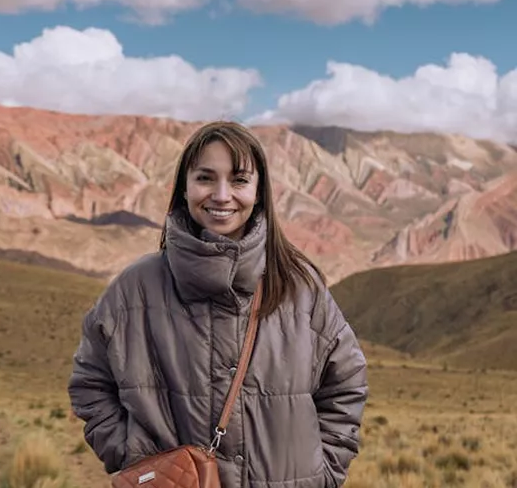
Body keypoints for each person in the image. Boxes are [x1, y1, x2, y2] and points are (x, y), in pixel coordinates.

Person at [68, 121, 368, 488]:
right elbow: (89, 382)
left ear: (259, 192)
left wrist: (323, 473)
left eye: (239, 180)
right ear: (185, 187)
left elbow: (346, 384)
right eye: (206, 178)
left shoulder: (300, 289)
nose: (222, 195)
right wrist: (132, 455)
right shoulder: (136, 289)